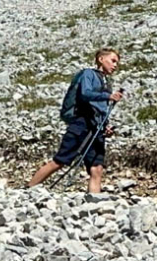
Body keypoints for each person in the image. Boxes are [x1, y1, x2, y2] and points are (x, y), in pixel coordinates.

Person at [26, 48, 124, 191]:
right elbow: (85, 94)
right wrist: (108, 97)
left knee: (96, 168)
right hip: (81, 124)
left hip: (96, 129)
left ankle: (93, 204)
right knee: (60, 160)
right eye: (113, 61)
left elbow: (100, 109)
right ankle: (28, 189)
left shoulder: (106, 82)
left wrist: (106, 126)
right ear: (101, 59)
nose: (115, 65)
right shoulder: (88, 74)